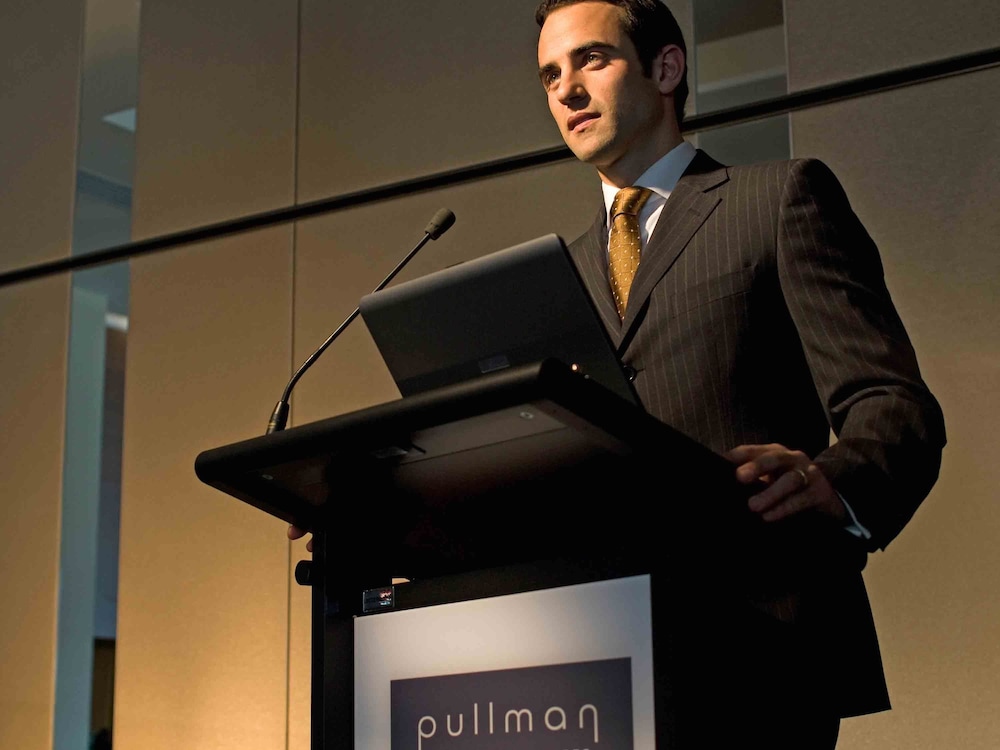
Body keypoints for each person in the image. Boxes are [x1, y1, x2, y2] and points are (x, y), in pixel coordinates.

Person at [293, 1, 946, 746]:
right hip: (588, 657)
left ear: (665, 68)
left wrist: (838, 482)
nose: (566, 90)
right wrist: (371, 512)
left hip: (757, 639)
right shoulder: (557, 273)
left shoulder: (778, 200)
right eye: (549, 74)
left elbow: (892, 403)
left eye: (591, 60)